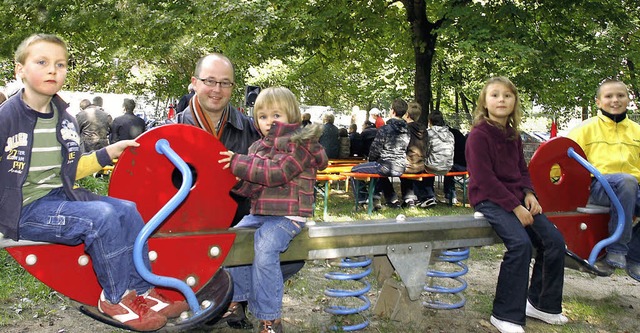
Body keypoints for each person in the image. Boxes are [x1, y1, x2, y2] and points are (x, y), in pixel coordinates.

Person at [0, 33, 188, 332]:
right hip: (23, 209)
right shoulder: (7, 117)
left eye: (60, 64)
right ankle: (115, 297)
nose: (52, 70)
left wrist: (107, 152)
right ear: (19, 70)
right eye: (42, 62)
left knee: (127, 209)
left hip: (58, 197)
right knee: (100, 218)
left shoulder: (64, 119)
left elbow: (69, 170)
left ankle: (142, 291)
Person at [218, 87, 328, 333]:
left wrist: (239, 163)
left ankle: (271, 318)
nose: (269, 122)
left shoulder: (300, 145)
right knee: (232, 239)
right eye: (263, 116)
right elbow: (253, 183)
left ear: (291, 115)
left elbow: (276, 173)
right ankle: (236, 300)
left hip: (289, 215)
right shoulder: (258, 146)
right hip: (260, 213)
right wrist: (233, 179)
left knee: (265, 244)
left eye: (276, 115)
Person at [466, 76, 567, 333]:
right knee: (520, 244)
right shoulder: (478, 135)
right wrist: (515, 206)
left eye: (507, 96)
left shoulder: (513, 135)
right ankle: (505, 315)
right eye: (495, 95)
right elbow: (484, 178)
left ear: (514, 102)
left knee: (554, 241)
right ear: (485, 102)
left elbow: (522, 169)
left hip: (515, 198)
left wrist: (529, 193)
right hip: (489, 198)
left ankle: (541, 304)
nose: (501, 99)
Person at [567, 78, 640, 280]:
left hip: (632, 186)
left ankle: (635, 255)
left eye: (620, 95)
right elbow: (563, 157)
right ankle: (617, 248)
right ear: (598, 102)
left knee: (629, 183)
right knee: (626, 182)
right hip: (599, 186)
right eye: (609, 96)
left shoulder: (637, 131)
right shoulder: (586, 129)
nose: (615, 100)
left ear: (628, 99)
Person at [176, 53, 261, 227]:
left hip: (240, 234)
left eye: (225, 83)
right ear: (194, 82)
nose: (217, 89)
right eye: (210, 81)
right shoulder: (169, 133)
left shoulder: (253, 132)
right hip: (183, 232)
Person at [351, 99, 409, 209]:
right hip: (401, 166)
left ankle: (361, 201)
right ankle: (390, 200)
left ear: (392, 111)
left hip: (385, 165)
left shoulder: (385, 129)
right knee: (381, 175)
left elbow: (375, 149)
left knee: (354, 170)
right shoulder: (407, 129)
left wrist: (371, 160)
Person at [414, 111, 454, 208]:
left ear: (430, 121)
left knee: (417, 168)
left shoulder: (428, 133)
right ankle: (447, 195)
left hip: (433, 166)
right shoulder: (450, 134)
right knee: (431, 163)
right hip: (448, 166)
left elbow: (425, 151)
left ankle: (425, 197)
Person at [399, 102, 427, 208]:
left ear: (407, 115)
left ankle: (408, 198)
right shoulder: (424, 130)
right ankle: (412, 197)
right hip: (421, 164)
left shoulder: (405, 128)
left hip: (408, 165)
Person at [443, 126, 467, 204]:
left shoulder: (446, 135)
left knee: (447, 168)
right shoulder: (456, 132)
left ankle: (450, 196)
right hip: (467, 164)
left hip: (459, 165)